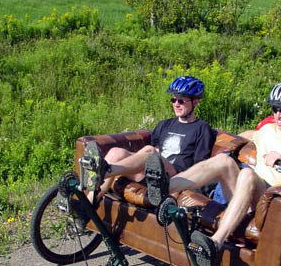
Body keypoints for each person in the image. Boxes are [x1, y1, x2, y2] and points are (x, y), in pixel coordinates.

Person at [144, 81, 281, 266]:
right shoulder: (267, 131)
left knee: (248, 174)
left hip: (271, 204)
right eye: (275, 109)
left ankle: (215, 243)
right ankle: (164, 188)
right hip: (244, 197)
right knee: (223, 162)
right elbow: (249, 134)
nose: (278, 115)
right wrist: (226, 142)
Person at [80, 76, 216, 204]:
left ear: (196, 102)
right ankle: (88, 204)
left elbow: (199, 166)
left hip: (174, 178)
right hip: (152, 175)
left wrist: (180, 182)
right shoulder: (164, 124)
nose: (176, 104)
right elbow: (151, 154)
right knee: (116, 152)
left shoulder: (202, 128)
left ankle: (105, 170)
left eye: (181, 101)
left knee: (151, 153)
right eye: (173, 100)